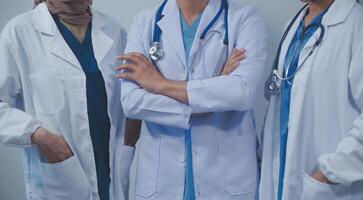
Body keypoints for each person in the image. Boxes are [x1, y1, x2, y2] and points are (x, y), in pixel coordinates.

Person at [115, 0, 268, 199]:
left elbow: (242, 92)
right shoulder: (145, 23)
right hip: (162, 181)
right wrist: (214, 92)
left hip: (226, 179)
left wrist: (160, 84)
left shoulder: (244, 19)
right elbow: (132, 102)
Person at [0, 0, 141, 200]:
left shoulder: (114, 31)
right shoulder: (20, 32)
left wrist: (128, 140)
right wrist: (38, 135)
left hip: (110, 168)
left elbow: (132, 94)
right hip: (59, 172)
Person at [259, 0, 363, 199]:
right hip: (281, 179)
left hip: (328, 184)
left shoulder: (356, 25)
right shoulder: (293, 28)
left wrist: (329, 173)